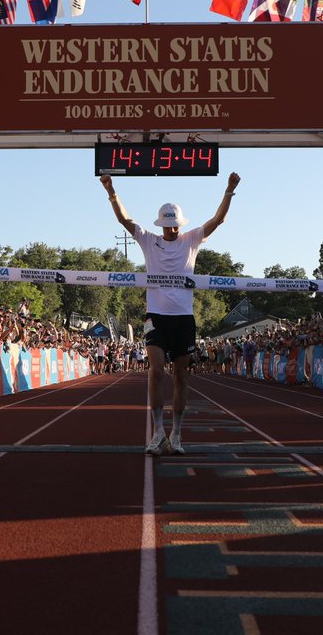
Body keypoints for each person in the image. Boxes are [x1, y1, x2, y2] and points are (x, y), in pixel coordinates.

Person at [101, 170, 242, 456]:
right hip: (156, 316)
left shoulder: (191, 240)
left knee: (181, 376)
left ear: (180, 224)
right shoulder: (148, 240)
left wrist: (229, 190)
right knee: (156, 372)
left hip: (183, 317)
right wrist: (111, 191)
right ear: (161, 225)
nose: (172, 230)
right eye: (168, 226)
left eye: (175, 226)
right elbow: (125, 220)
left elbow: (217, 220)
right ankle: (158, 433)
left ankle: (176, 434)